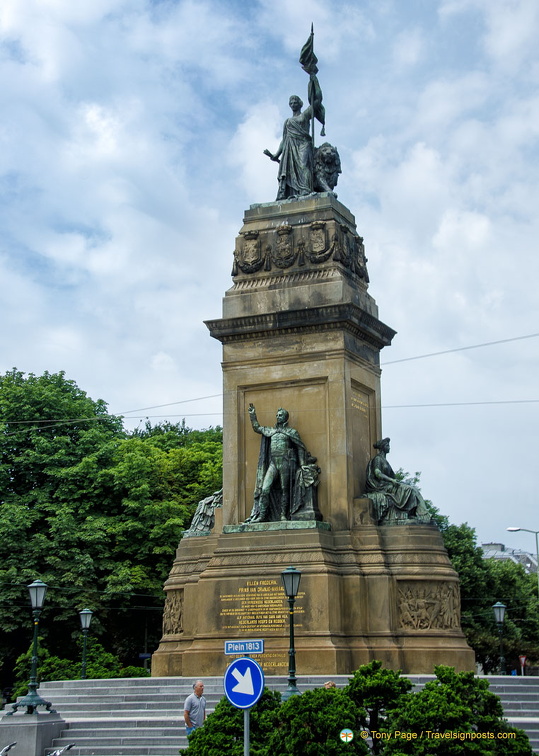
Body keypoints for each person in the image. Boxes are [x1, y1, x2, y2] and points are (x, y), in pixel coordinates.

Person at [246, 404, 308, 523]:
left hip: (285, 462)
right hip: (273, 463)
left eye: (280, 415)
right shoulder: (271, 431)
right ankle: (262, 515)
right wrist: (252, 415)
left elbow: (300, 447)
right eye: (277, 415)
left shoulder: (291, 432)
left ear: (285, 417)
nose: (278, 417)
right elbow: (257, 428)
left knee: (285, 489)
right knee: (265, 489)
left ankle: (283, 515)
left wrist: (302, 464)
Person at [265, 79, 323, 201]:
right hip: (290, 147)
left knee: (303, 166)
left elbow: (317, 101)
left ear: (300, 104)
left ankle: (305, 190)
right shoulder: (287, 121)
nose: (293, 103)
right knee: (289, 171)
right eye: (291, 102)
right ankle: (287, 193)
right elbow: (284, 139)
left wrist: (314, 79)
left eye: (295, 101)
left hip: (303, 144)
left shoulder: (305, 115)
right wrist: (276, 154)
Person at [364, 438, 431, 525]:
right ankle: (422, 515)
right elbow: (377, 473)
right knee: (410, 490)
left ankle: (419, 513)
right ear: (382, 447)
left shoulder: (385, 461)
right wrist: (391, 480)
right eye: (387, 445)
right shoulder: (378, 459)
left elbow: (392, 476)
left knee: (413, 489)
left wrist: (395, 481)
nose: (389, 447)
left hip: (388, 485)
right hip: (381, 486)